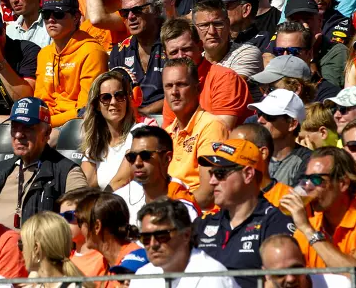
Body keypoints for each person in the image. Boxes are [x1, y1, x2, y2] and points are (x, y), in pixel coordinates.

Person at [192, 138, 294, 286]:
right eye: (211, 173)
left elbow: (281, 282)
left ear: (248, 174)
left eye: (220, 173)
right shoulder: (203, 223)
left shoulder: (275, 223)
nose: (212, 181)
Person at [280, 147, 356, 268]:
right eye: (306, 180)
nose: (308, 187)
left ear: (343, 183)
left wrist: (308, 230)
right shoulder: (311, 225)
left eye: (316, 180)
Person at [0, 97, 88, 229]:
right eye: (14, 127)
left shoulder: (67, 173)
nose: (18, 135)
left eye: (27, 128)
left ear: (47, 132)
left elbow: (81, 222)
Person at [35, 0, 108, 127]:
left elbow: (85, 109)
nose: (50, 19)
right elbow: (41, 101)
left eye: (58, 13)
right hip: (46, 123)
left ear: (75, 17)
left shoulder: (92, 52)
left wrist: (45, 123)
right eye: (45, 14)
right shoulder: (43, 54)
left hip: (77, 126)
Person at [163, 58, 229, 207]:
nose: (174, 92)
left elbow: (208, 193)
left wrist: (166, 212)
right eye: (168, 86)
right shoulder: (166, 134)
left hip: (199, 217)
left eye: (181, 85)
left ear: (198, 89)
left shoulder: (212, 126)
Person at [132, 198, 240, 288]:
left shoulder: (212, 276)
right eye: (145, 238)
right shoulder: (142, 276)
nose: (153, 244)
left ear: (186, 235)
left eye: (161, 236)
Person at [81, 69, 150, 190]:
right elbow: (85, 183)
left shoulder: (139, 134)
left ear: (127, 100)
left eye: (119, 96)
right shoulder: (95, 144)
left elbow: (121, 181)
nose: (113, 102)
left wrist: (98, 205)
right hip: (106, 205)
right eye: (106, 98)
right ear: (97, 105)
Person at [248, 89, 311, 187]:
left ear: (292, 124)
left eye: (269, 116)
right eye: (260, 114)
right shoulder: (252, 153)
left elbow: (295, 200)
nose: (260, 120)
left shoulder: (309, 162)